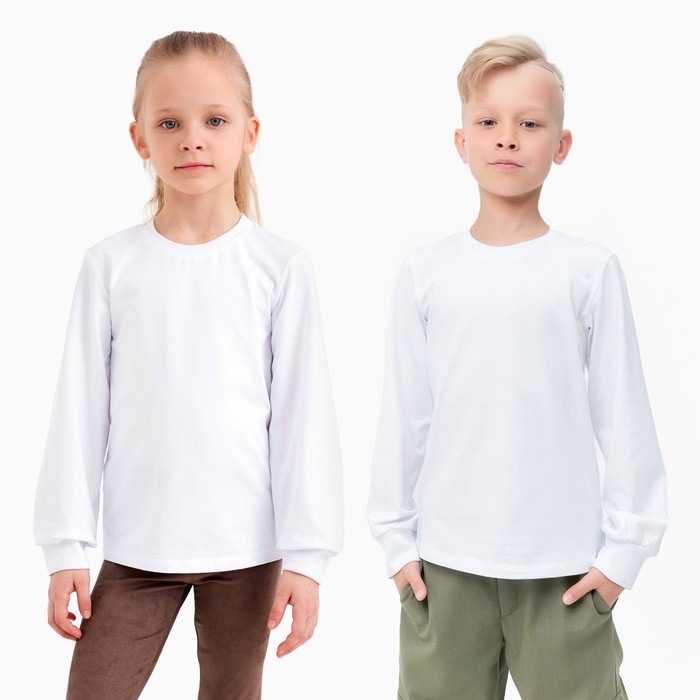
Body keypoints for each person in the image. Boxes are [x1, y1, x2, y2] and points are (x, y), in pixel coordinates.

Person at [33, 30, 343, 700]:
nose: (192, 140)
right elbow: (79, 411)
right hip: (138, 550)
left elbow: (302, 419)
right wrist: (65, 549)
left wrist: (307, 558)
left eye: (215, 121)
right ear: (140, 138)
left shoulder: (280, 268)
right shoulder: (111, 266)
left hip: (248, 554)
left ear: (250, 134)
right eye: (170, 123)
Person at [367, 34, 667, 700]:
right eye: (488, 122)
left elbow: (623, 416)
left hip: (565, 573)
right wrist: (395, 543)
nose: (507, 137)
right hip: (443, 571)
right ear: (461, 141)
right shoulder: (426, 273)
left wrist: (622, 557)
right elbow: (405, 414)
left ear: (561, 144)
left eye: (530, 124)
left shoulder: (587, 270)